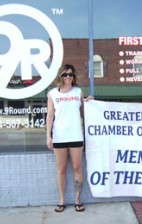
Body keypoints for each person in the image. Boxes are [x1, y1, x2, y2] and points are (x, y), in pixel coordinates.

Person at [46, 64, 92, 213]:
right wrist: (48, 135)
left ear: (74, 77)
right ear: (60, 76)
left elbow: (84, 112)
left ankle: (77, 200)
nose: (68, 77)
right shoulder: (53, 94)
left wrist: (90, 103)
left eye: (70, 75)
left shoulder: (78, 92)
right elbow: (50, 115)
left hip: (76, 136)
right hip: (59, 137)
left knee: (77, 168)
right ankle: (62, 200)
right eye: (65, 75)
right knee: (61, 169)